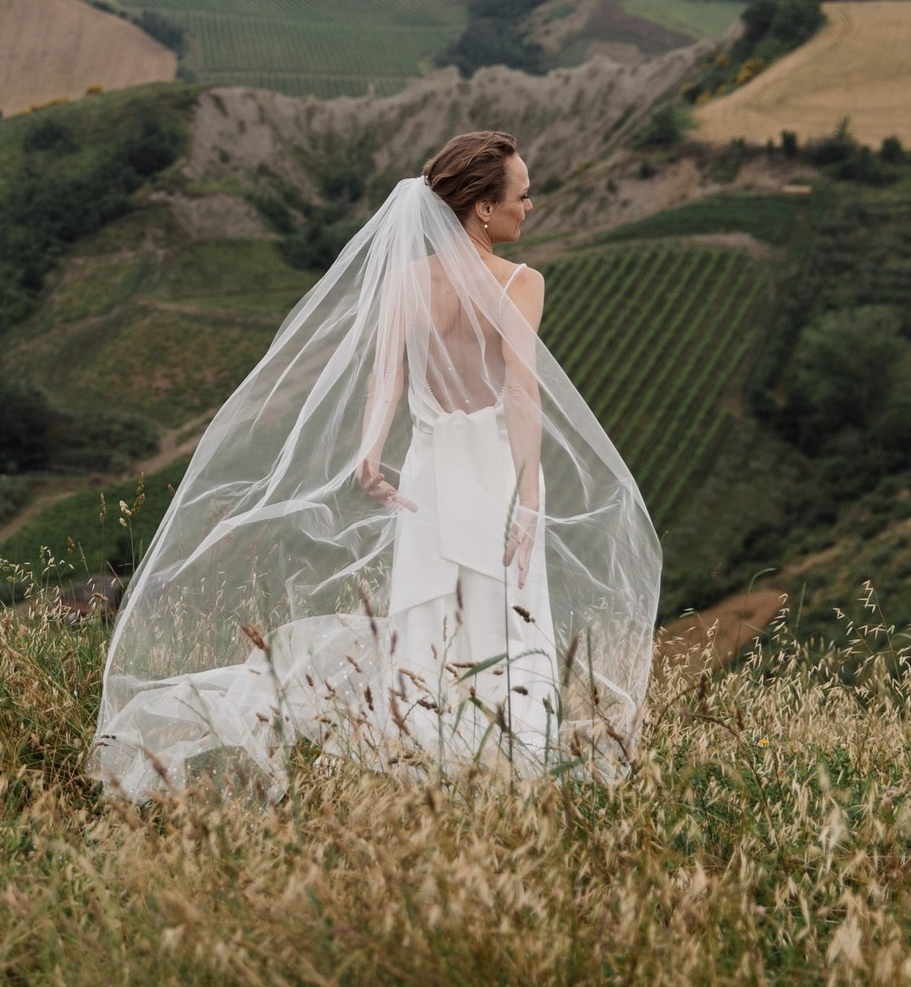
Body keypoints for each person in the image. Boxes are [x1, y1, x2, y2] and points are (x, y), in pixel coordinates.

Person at [90, 131, 660, 802]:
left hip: (426, 477)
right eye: (522, 194)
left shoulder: (406, 280)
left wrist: (369, 451)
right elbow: (520, 390)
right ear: (481, 207)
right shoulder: (522, 282)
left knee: (424, 620)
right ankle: (509, 770)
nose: (529, 207)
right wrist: (531, 494)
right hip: (488, 479)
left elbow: (385, 379)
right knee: (502, 614)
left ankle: (421, 754)